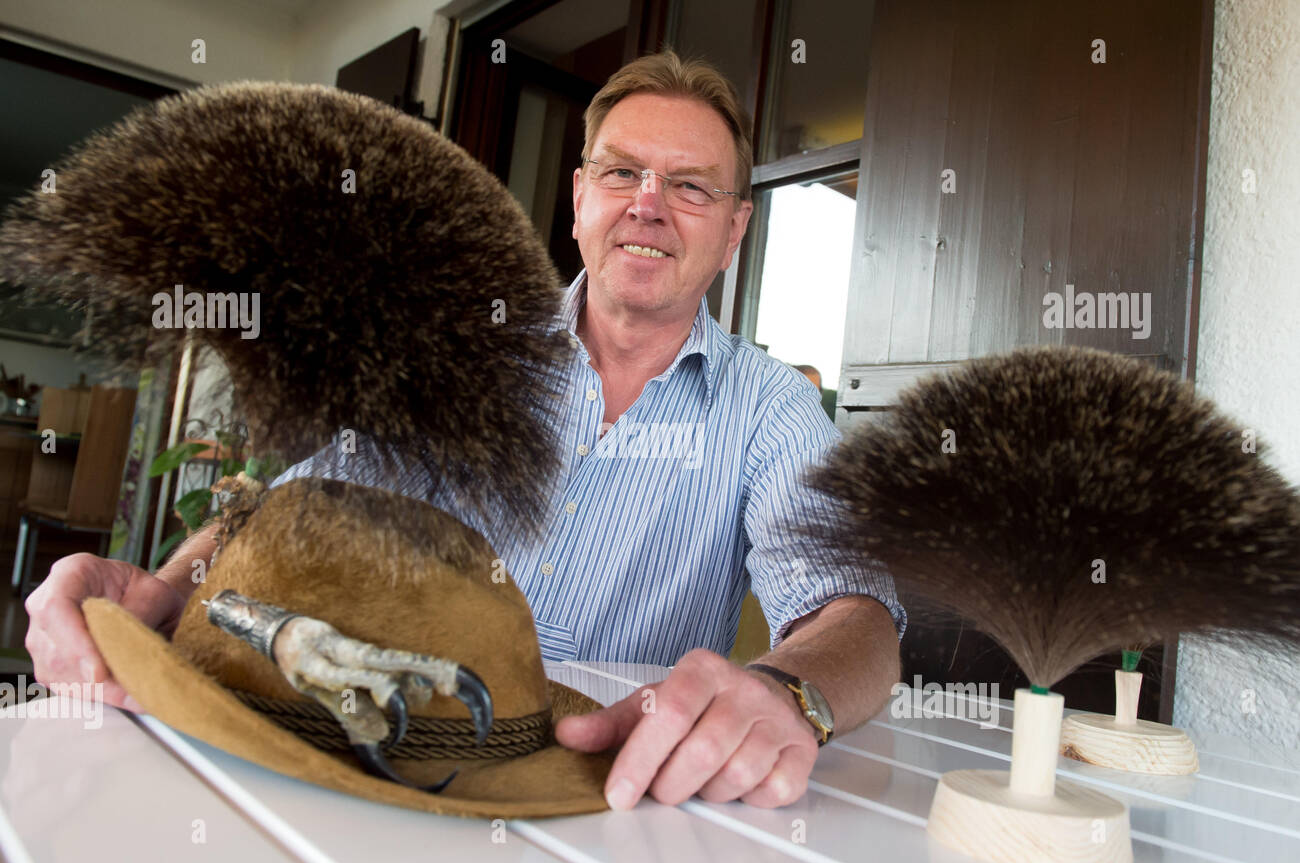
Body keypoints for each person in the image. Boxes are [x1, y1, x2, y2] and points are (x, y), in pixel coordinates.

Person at [24, 51, 905, 812]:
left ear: (735, 231)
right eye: (620, 173)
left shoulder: (771, 408)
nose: (648, 205)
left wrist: (790, 692)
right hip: (376, 753)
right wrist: (164, 592)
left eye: (689, 186)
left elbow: (857, 618)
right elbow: (300, 504)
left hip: (602, 796)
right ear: (578, 198)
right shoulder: (463, 354)